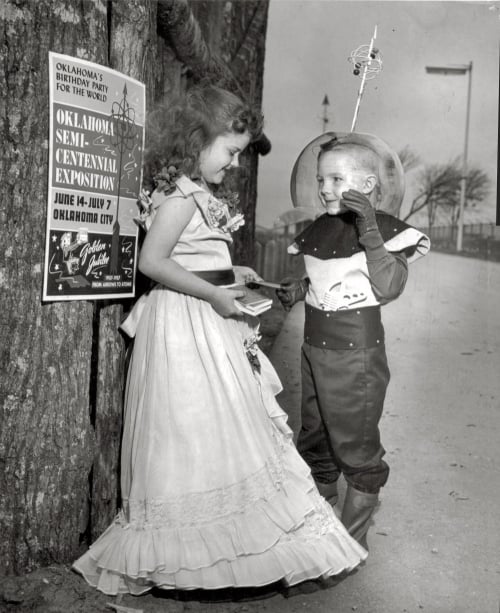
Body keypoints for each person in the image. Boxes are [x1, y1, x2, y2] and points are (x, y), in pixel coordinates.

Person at [72, 87, 367, 596]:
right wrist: (214, 292)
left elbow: (191, 257)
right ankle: (188, 555)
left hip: (204, 315)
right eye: (230, 151)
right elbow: (154, 262)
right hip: (184, 325)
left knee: (216, 429)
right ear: (197, 139)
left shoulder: (197, 194)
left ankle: (220, 552)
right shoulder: (181, 195)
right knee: (187, 431)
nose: (234, 164)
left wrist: (233, 272)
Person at [277, 132, 430, 549]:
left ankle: (349, 542)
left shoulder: (380, 231)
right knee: (315, 435)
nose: (325, 188)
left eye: (336, 179)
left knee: (355, 443)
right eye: (321, 179)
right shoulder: (320, 229)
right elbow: (330, 274)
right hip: (313, 350)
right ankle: (319, 525)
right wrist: (300, 287)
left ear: (366, 186)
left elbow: (388, 285)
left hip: (354, 356)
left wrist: (370, 229)